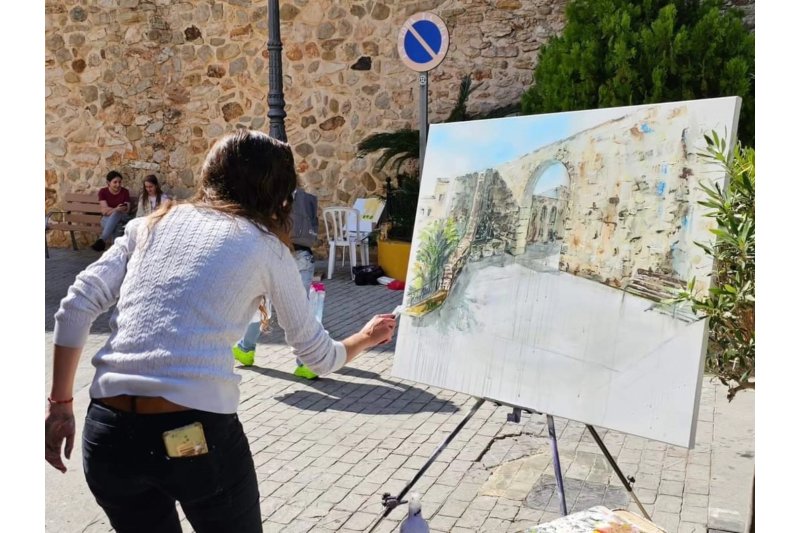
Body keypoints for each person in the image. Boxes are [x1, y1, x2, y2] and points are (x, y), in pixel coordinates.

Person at [45, 130, 396, 533]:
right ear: (279, 193)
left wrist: (60, 405)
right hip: (193, 435)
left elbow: (74, 307)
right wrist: (367, 337)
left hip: (107, 433)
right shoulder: (266, 247)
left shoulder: (152, 224)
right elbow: (317, 356)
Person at [231, 187, 321, 380]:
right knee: (300, 309)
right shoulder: (304, 198)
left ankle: (246, 349)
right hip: (304, 254)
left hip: (278, 254)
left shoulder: (271, 196)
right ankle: (307, 363)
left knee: (259, 301)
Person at [92, 170, 133, 251]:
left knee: (117, 213)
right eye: (115, 182)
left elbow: (127, 210)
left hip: (123, 217)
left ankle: (102, 240)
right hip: (106, 219)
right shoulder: (103, 192)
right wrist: (116, 209)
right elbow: (104, 211)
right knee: (117, 225)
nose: (118, 185)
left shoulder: (125, 192)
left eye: (119, 182)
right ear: (108, 182)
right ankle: (115, 251)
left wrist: (112, 210)